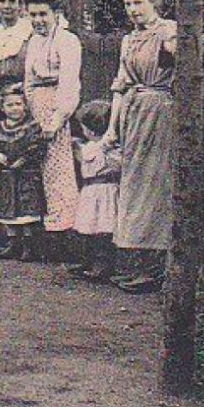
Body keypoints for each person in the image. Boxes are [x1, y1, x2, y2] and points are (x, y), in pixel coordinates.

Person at [104, 0, 176, 294]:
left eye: (138, 3)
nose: (133, 10)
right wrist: (111, 128)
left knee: (154, 186)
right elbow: (120, 87)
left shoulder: (168, 31)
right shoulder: (129, 40)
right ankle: (138, 264)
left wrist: (201, 42)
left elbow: (186, 55)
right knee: (133, 186)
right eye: (128, 5)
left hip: (160, 113)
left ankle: (157, 269)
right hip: (134, 115)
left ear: (153, 3)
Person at [22, 0, 82, 261]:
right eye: (33, 15)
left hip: (59, 110)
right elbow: (29, 81)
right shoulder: (34, 42)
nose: (38, 20)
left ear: (56, 14)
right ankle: (40, 235)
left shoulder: (68, 41)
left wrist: (56, 119)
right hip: (37, 108)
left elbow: (69, 83)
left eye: (43, 14)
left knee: (60, 173)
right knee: (37, 171)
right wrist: (31, 113)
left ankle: (64, 235)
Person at [0, 85, 48, 261]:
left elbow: (38, 147)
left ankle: (29, 246)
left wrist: (24, 159)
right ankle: (13, 244)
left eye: (18, 104)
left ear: (25, 106)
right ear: (2, 108)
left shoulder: (33, 127)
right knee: (9, 210)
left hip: (26, 175)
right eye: (10, 105)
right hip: (7, 176)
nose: (15, 108)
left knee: (27, 210)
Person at [70, 100, 121, 281]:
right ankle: (88, 260)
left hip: (104, 190)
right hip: (90, 190)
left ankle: (103, 264)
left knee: (103, 228)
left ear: (90, 130)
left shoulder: (109, 148)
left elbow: (117, 164)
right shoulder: (88, 146)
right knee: (89, 226)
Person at [0, 0, 33, 124]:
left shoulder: (29, 31)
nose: (7, 6)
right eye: (2, 1)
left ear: (20, 5)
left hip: (22, 96)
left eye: (12, 1)